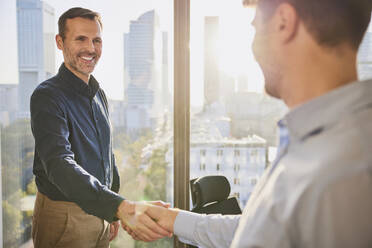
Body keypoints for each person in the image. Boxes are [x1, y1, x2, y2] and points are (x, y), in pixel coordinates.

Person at [123, 0, 372, 247]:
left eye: (255, 28)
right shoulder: (321, 141)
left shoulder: (345, 174)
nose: (253, 48)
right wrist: (174, 220)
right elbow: (261, 231)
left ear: (284, 23)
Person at [30, 7, 170, 247]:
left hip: (101, 208)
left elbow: (107, 154)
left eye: (96, 40)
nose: (91, 49)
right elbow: (58, 164)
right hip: (65, 216)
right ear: (60, 42)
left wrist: (111, 208)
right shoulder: (48, 96)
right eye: (80, 39)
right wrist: (116, 206)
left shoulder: (99, 95)